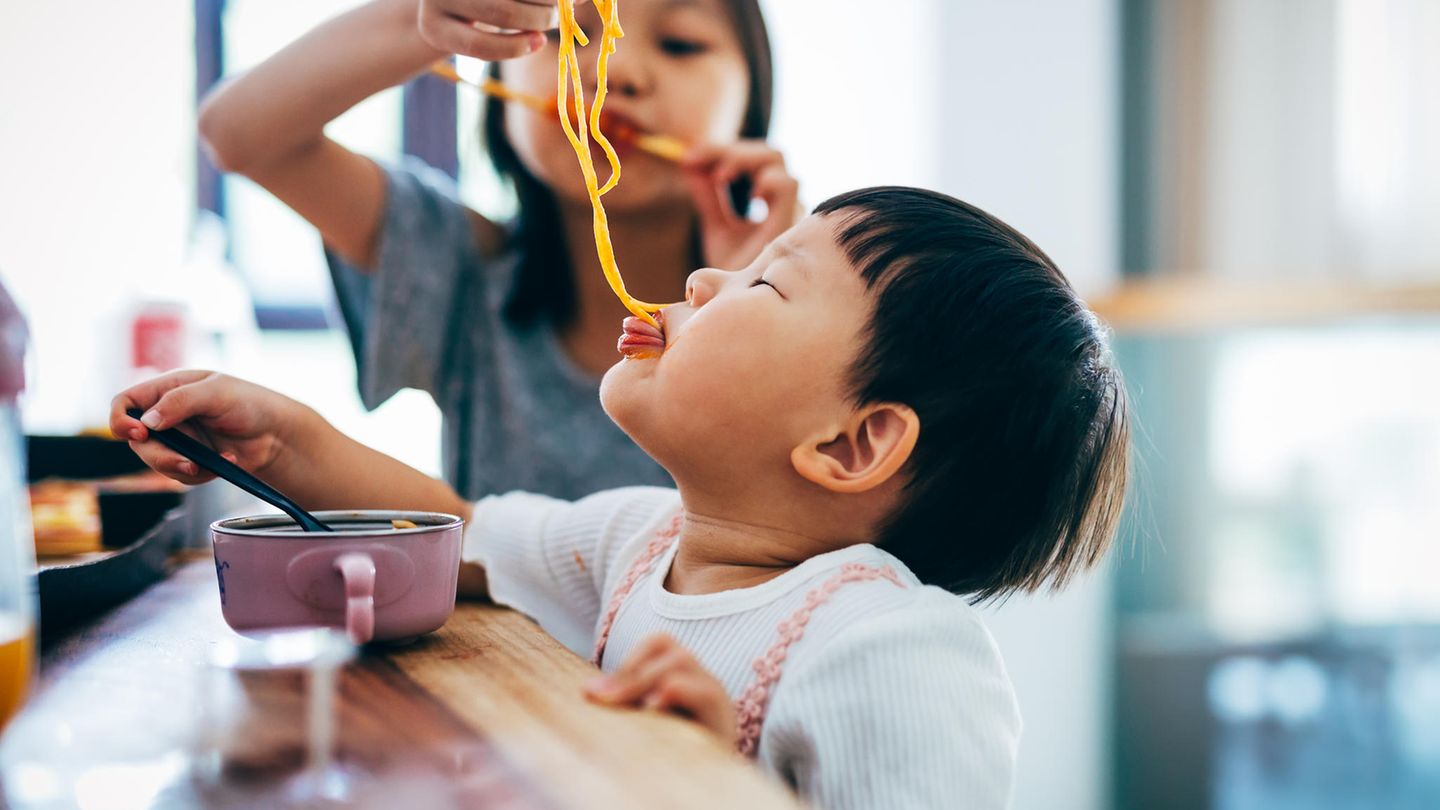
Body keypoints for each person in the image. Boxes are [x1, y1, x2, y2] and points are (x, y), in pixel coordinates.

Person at [113, 187, 1131, 809]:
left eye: (766, 286)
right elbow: (458, 536)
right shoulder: (638, 539)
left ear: (851, 443)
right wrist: (292, 439)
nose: (698, 279)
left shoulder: (891, 648)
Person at [198, 0, 794, 499]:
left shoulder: (818, 300)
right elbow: (237, 133)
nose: (616, 72)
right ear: (499, 73)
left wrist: (752, 300)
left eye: (681, 44)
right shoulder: (462, 264)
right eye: (567, 34)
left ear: (753, 98)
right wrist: (432, 19)